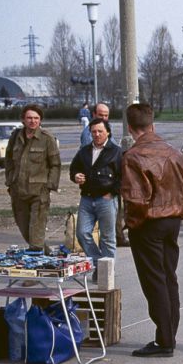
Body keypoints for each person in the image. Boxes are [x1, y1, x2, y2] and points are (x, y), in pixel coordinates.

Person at [121, 103, 183, 358]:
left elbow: (135, 200)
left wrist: (131, 224)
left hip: (148, 223)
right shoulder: (174, 152)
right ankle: (168, 335)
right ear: (152, 125)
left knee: (155, 281)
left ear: (130, 128)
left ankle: (164, 340)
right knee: (168, 277)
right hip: (172, 220)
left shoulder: (132, 156)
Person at [68, 118, 122, 281]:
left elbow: (124, 177)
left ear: (108, 132)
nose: (97, 134)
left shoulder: (116, 152)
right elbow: (73, 169)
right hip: (87, 199)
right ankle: (100, 264)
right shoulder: (84, 151)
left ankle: (106, 274)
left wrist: (111, 193)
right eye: (93, 132)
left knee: (107, 238)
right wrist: (75, 176)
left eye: (100, 131)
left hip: (106, 199)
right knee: (82, 233)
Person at [4, 104, 61, 251]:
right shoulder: (16, 136)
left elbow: (55, 164)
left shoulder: (47, 138)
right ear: (23, 119)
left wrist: (49, 186)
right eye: (29, 118)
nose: (33, 121)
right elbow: (9, 160)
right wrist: (10, 181)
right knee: (24, 228)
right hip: (18, 190)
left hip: (39, 192)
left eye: (36, 118)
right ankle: (47, 254)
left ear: (40, 120)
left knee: (36, 230)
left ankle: (38, 260)